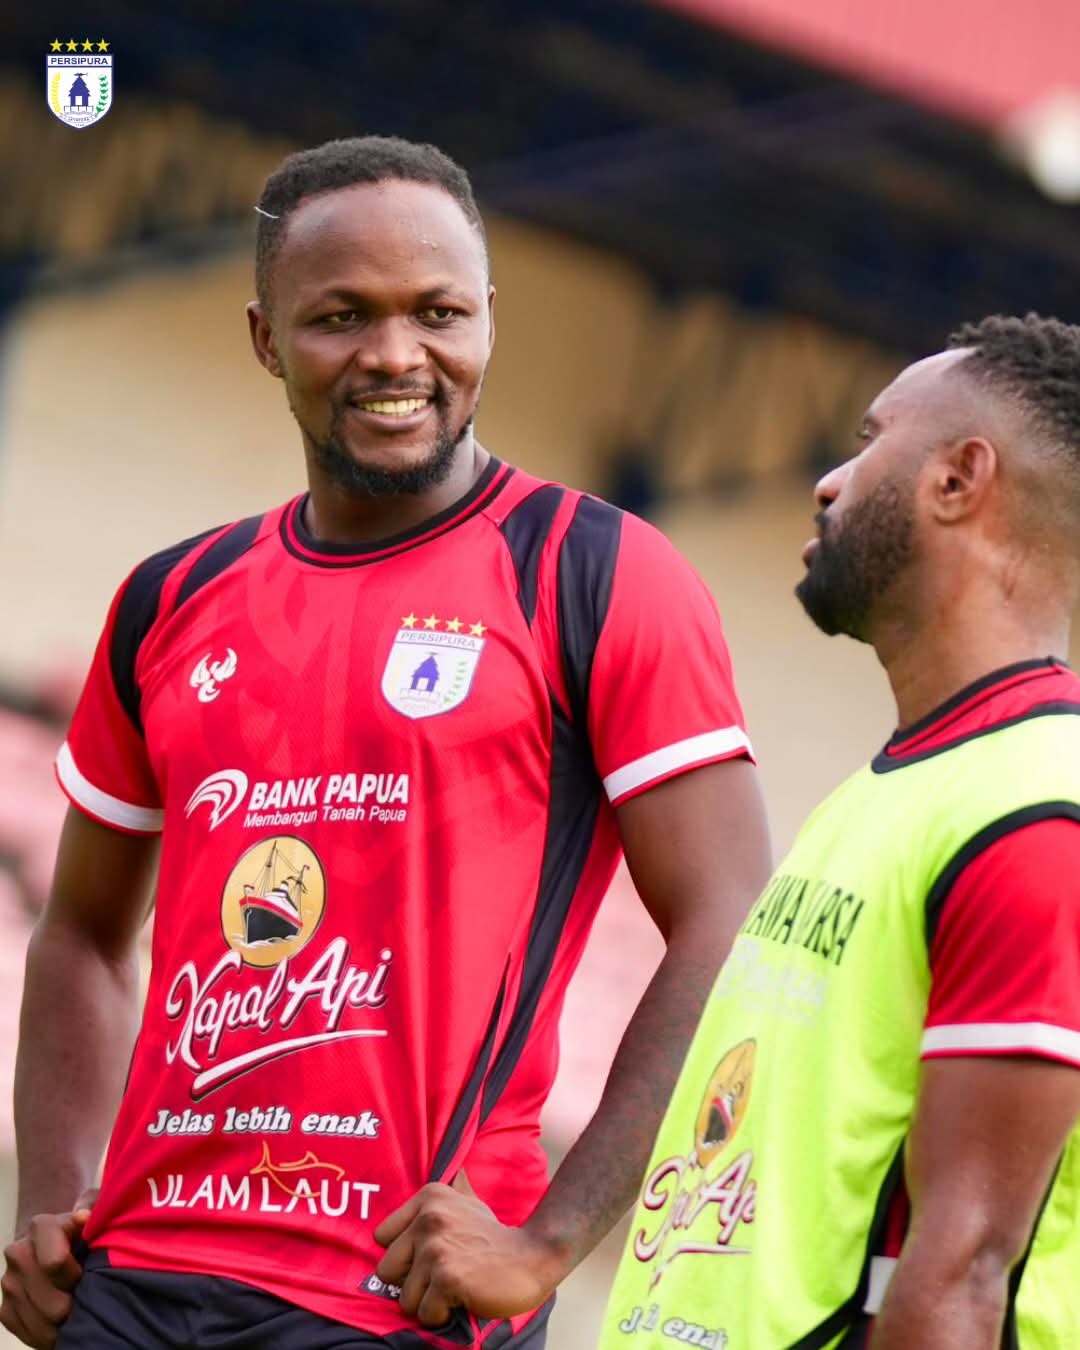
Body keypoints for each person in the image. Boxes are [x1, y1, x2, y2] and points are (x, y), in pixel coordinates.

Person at [0, 137, 771, 1350]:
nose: (396, 355)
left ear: (489, 323)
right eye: (342, 316)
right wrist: (53, 1201)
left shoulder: (594, 573)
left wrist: (549, 1241)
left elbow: (729, 921)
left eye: (439, 312)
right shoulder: (170, 598)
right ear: (266, 338)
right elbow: (84, 932)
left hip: (399, 1305)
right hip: (136, 1288)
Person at [600, 313, 1080, 1349]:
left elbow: (960, 1273)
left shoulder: (1041, 813)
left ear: (959, 480)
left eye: (873, 439)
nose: (832, 479)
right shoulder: (896, 788)